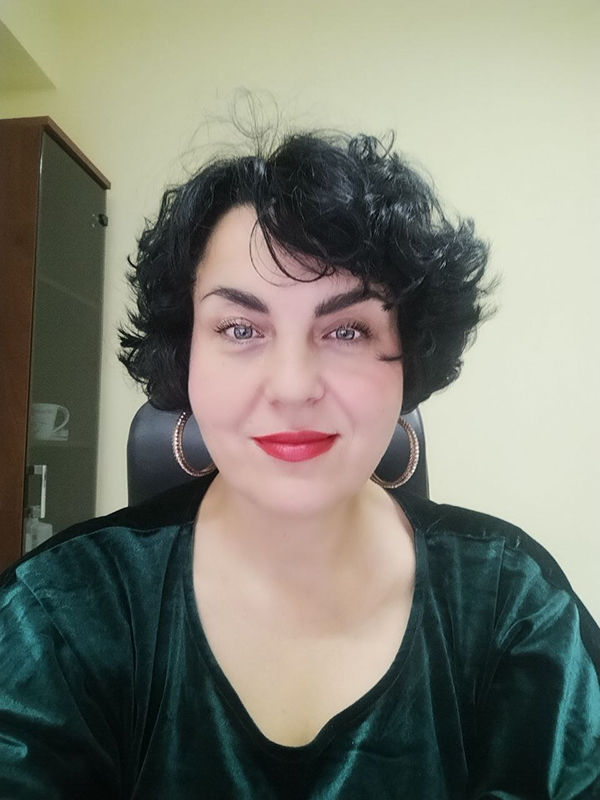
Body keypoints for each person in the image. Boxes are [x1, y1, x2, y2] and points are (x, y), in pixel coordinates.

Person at [1, 129, 599, 799]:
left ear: (410, 359)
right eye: (240, 328)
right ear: (185, 353)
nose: (292, 386)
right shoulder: (59, 615)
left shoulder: (515, 607)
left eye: (347, 330)